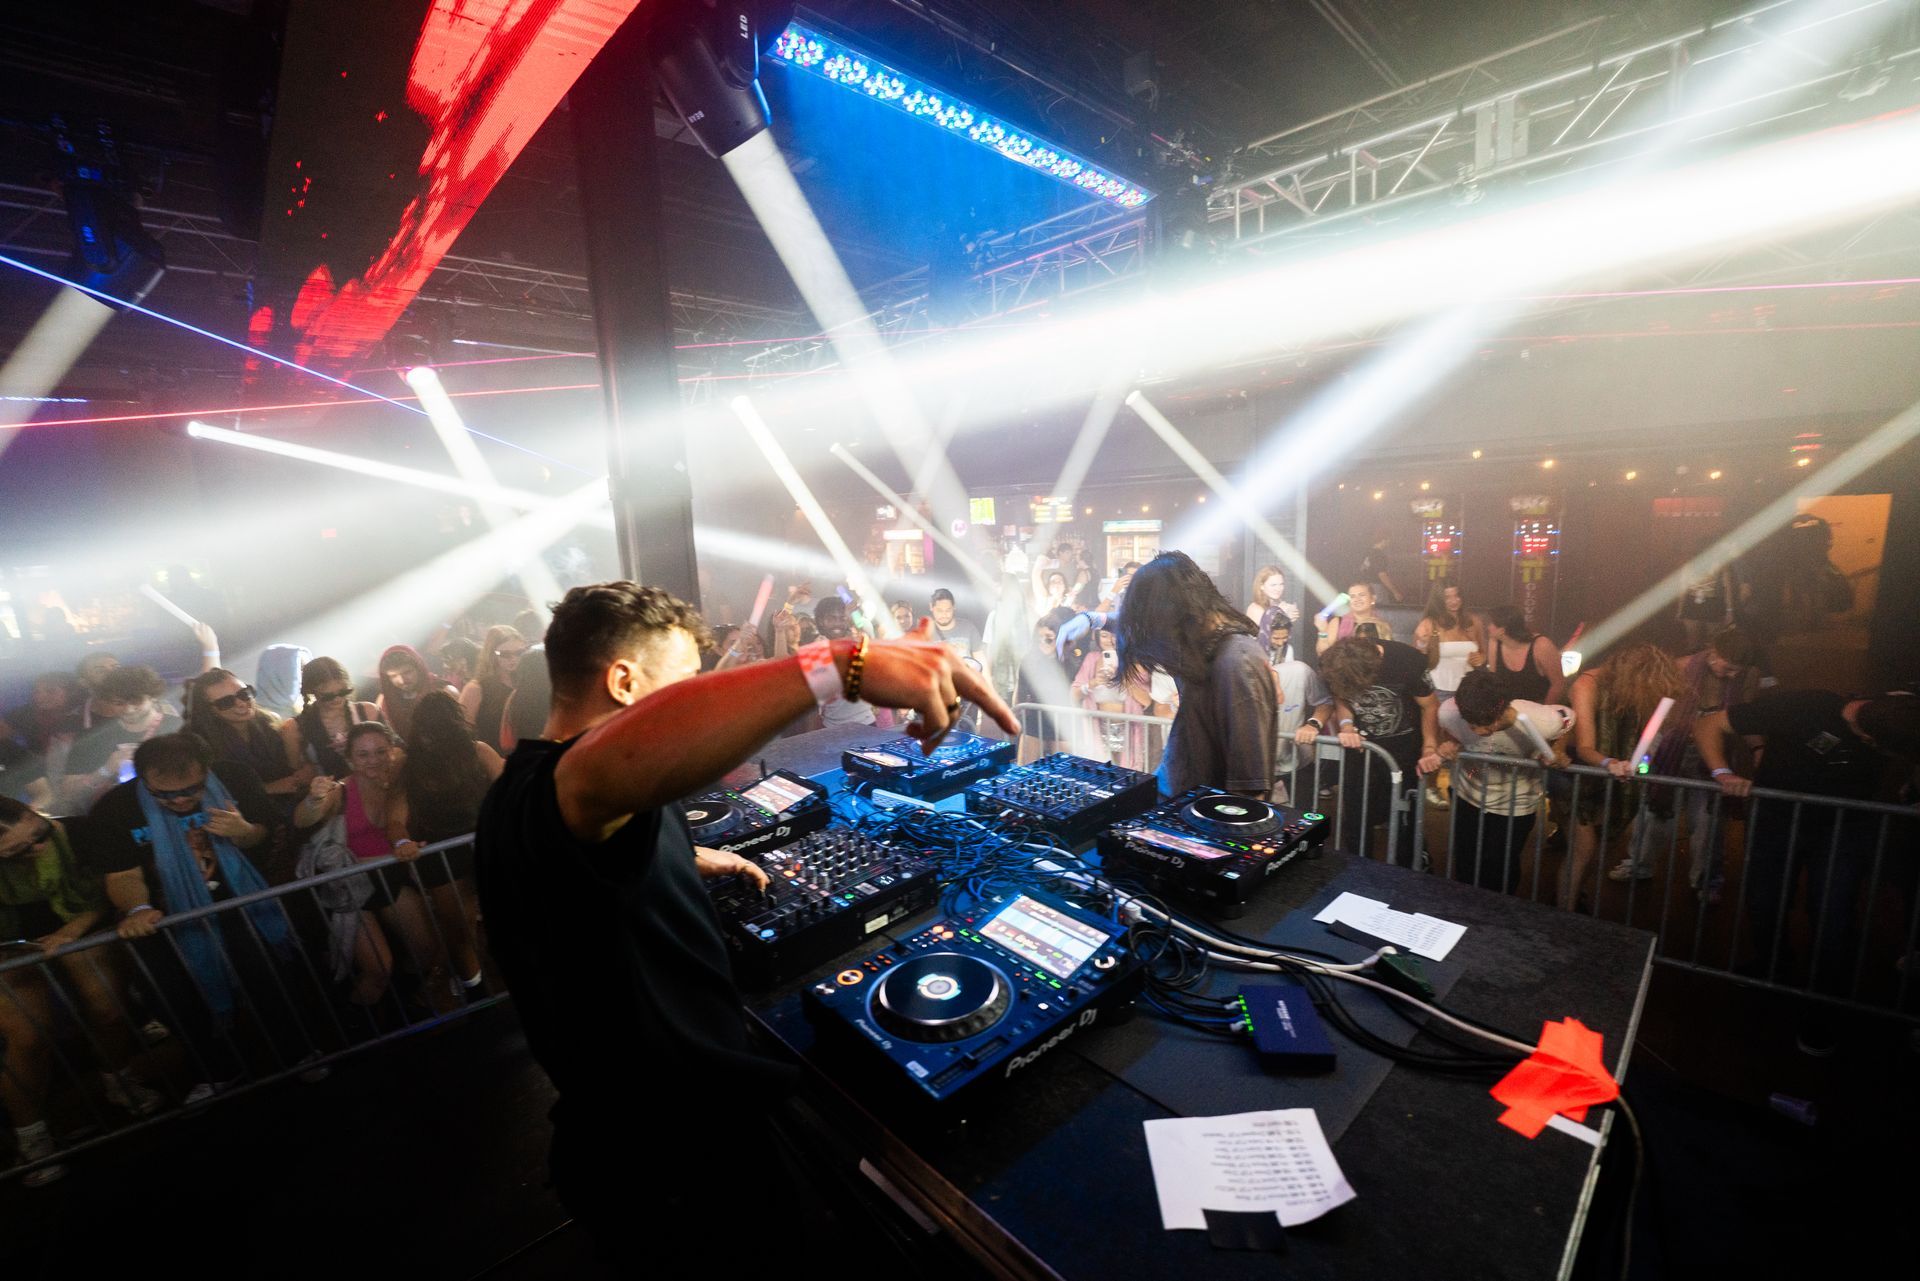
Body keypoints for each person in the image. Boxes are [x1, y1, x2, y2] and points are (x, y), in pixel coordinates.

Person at [473, 581, 1015, 1271]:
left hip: (639, 1137)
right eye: (683, 686)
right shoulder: (562, 790)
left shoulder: (531, 799)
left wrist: (688, 855)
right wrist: (841, 662)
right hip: (674, 1162)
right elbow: (601, 773)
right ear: (623, 682)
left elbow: (576, 862)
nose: (697, 698)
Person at [92, 733, 315, 1101]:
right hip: (167, 919)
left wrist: (243, 831)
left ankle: (297, 1052)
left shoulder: (235, 777)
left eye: (191, 790)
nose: (179, 800)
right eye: (164, 794)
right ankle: (216, 1070)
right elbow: (122, 875)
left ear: (207, 771)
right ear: (143, 778)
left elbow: (264, 833)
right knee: (179, 998)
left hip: (238, 901)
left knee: (269, 977)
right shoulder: (116, 807)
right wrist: (139, 909)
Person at [1695, 688, 1920, 1020]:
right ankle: (1772, 967)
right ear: (1868, 737)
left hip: (1846, 828)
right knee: (1764, 901)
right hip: (1776, 821)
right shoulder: (1802, 704)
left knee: (1833, 913)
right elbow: (1709, 724)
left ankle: (1824, 999)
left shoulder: (1901, 714)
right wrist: (1722, 772)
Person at [2, 797, 165, 1186]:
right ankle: (32, 1138)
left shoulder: (81, 831)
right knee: (27, 1038)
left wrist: (71, 931)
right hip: (8, 943)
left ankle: (118, 1081)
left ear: (34, 814)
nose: (37, 848)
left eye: (39, 835)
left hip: (82, 924)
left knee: (108, 1008)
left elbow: (111, 887)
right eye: (17, 852)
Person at [1064, 552, 1276, 799]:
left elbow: (1249, 793)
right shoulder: (1199, 641)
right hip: (1177, 799)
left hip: (1199, 812)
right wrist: (1095, 619)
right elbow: (1139, 624)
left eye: (1156, 627)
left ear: (1174, 616)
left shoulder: (1237, 663)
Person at [292, 722, 449, 1010]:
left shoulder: (400, 786)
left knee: (428, 949)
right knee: (378, 970)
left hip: (390, 877)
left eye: (380, 751)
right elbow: (302, 819)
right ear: (350, 759)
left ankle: (408, 1006)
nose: (373, 760)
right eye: (363, 755)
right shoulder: (340, 791)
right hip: (350, 886)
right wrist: (314, 799)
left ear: (392, 751)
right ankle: (356, 1023)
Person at [387, 692, 503, 998]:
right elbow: (395, 818)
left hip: (484, 842)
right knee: (458, 929)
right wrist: (402, 841)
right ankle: (477, 993)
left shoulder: (479, 751)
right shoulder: (410, 765)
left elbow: (509, 792)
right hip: (439, 851)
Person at [1563, 644, 1687, 908]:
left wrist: (1640, 761)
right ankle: (1564, 912)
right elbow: (1585, 747)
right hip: (1579, 775)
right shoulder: (1587, 685)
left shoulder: (1637, 690)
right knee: (1583, 849)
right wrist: (1609, 763)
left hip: (1617, 778)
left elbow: (1649, 735)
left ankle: (1575, 897)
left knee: (1602, 849)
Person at [1437, 669, 1572, 892]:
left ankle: (1500, 909)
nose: (1477, 730)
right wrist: (1451, 742)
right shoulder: (1448, 712)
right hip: (1467, 793)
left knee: (1499, 865)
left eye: (1484, 724)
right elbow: (1450, 731)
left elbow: (1568, 720)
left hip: (1515, 804)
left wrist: (1558, 748)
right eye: (1471, 724)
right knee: (1465, 860)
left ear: (1501, 711)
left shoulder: (1541, 719)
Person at [1320, 635, 1442, 864]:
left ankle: (1411, 868)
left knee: (1405, 814)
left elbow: (1430, 705)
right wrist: (1346, 726)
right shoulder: (1333, 663)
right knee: (1356, 814)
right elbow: (1340, 699)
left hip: (1404, 751)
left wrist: (1429, 746)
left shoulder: (1408, 660)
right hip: (1360, 750)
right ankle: (1357, 868)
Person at [185, 669, 314, 813]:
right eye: (226, 702)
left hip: (293, 805)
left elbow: (293, 769)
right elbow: (214, 795)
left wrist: (305, 769)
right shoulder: (201, 746)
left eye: (243, 694)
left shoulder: (271, 724)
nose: (241, 703)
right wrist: (268, 788)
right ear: (210, 710)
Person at [60, 666, 180, 813]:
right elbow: (68, 793)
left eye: (136, 701)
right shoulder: (92, 737)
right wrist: (105, 770)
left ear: (152, 697)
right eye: (119, 703)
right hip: (117, 815)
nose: (128, 709)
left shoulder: (179, 728)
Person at [1266, 615, 1335, 804]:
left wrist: (1313, 724)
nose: (1280, 644)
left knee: (1300, 815)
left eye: (1284, 638)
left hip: (1292, 764)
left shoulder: (1299, 671)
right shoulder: (1240, 679)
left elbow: (1326, 702)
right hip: (1255, 769)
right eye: (1275, 638)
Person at [281, 656, 383, 779]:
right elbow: (295, 776)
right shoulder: (293, 728)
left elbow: (395, 749)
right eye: (328, 696)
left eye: (343, 692)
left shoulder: (368, 711)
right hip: (328, 789)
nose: (337, 699)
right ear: (311, 692)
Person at [809, 597, 877, 727]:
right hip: (833, 727)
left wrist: (853, 619)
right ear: (821, 621)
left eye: (842, 618)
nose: (837, 623)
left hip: (866, 722)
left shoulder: (856, 642)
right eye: (831, 618)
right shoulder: (816, 648)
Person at [460, 625, 526, 755]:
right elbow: (463, 734)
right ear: (491, 654)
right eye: (505, 654)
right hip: (490, 758)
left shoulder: (525, 683)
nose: (513, 658)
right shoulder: (476, 688)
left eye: (519, 652)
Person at [1485, 605, 1566, 706]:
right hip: (1509, 709)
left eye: (1491, 623)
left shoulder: (1541, 645)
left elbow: (1558, 684)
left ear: (1502, 630)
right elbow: (1493, 680)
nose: (1487, 627)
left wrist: (1545, 711)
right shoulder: (1494, 642)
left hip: (1539, 707)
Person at [374, 644, 451, 743]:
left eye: (407, 672)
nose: (402, 680)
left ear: (419, 668)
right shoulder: (384, 701)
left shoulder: (444, 690)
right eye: (394, 676)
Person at [1315, 582, 1394, 655]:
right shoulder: (1337, 622)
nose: (1357, 599)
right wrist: (1323, 631)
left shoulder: (1382, 625)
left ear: (1373, 599)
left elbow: (1389, 653)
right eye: (1352, 596)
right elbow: (1322, 654)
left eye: (1362, 595)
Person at [252, 644, 310, 723]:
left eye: (307, 669)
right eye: (300, 668)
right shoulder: (256, 720)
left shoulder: (311, 707)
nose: (306, 674)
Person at [928, 587, 981, 661]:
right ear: (931, 607)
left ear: (954, 607)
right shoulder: (924, 632)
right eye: (939, 611)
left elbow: (980, 658)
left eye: (948, 610)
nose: (944, 615)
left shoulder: (968, 628)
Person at [1245, 565, 1300, 630]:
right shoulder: (1255, 608)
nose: (1278, 589)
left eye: (1281, 584)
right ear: (1261, 586)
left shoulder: (1278, 605)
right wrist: (1284, 617)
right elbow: (1265, 634)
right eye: (1273, 585)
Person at [1358, 532, 1408, 603]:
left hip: (1365, 586)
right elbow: (1382, 575)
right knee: (1381, 608)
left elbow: (1362, 569)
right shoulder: (1380, 555)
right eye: (1388, 540)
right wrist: (1395, 592)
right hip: (1377, 588)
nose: (1389, 543)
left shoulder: (1368, 552)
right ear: (1384, 540)